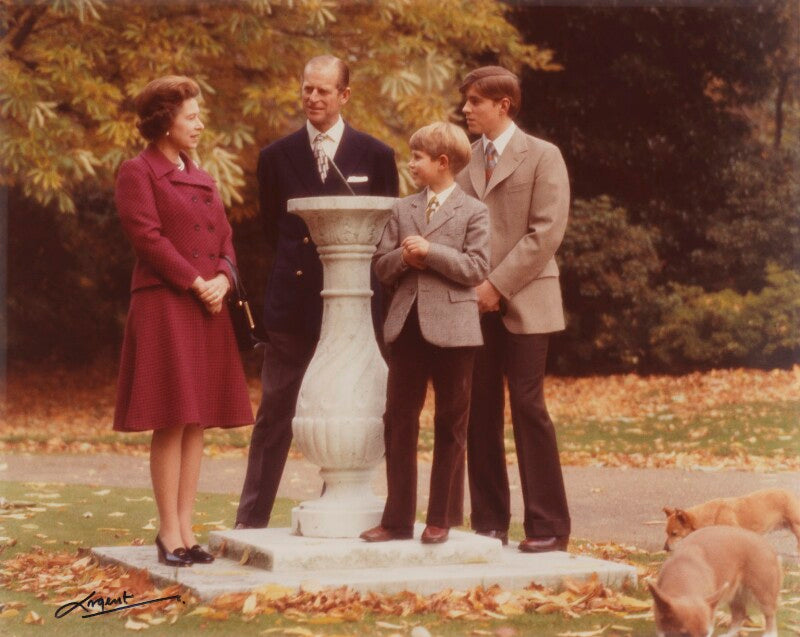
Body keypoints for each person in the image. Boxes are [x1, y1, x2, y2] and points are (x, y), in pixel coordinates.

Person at [235, 55, 400, 530]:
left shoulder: (376, 155)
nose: (313, 98)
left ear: (345, 95)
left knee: (357, 405)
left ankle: (345, 514)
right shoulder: (275, 157)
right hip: (293, 306)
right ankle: (251, 520)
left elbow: (384, 230)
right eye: (307, 89)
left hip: (357, 307)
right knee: (274, 414)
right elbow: (274, 231)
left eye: (324, 90)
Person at [114, 76, 253, 566]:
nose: (199, 124)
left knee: (196, 420)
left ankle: (187, 529)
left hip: (207, 305)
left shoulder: (203, 174)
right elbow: (148, 238)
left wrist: (222, 278)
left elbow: (226, 237)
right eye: (190, 116)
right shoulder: (137, 172)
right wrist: (196, 282)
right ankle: (167, 532)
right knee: (171, 418)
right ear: (164, 121)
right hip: (166, 305)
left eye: (199, 115)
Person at [456, 66, 572, 553]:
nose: (466, 109)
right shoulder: (464, 167)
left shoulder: (544, 156)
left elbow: (546, 232)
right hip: (475, 307)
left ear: (503, 105)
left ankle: (548, 527)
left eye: (475, 101)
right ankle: (488, 525)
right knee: (479, 412)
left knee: (528, 407)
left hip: (527, 300)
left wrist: (496, 286)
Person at [359, 122, 489, 545]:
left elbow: (476, 268)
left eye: (418, 157)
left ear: (442, 163)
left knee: (451, 423)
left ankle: (441, 518)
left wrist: (431, 253)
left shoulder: (474, 211)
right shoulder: (402, 209)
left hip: (456, 331)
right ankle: (396, 520)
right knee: (398, 421)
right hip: (407, 327)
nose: (411, 163)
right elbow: (381, 265)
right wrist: (405, 259)